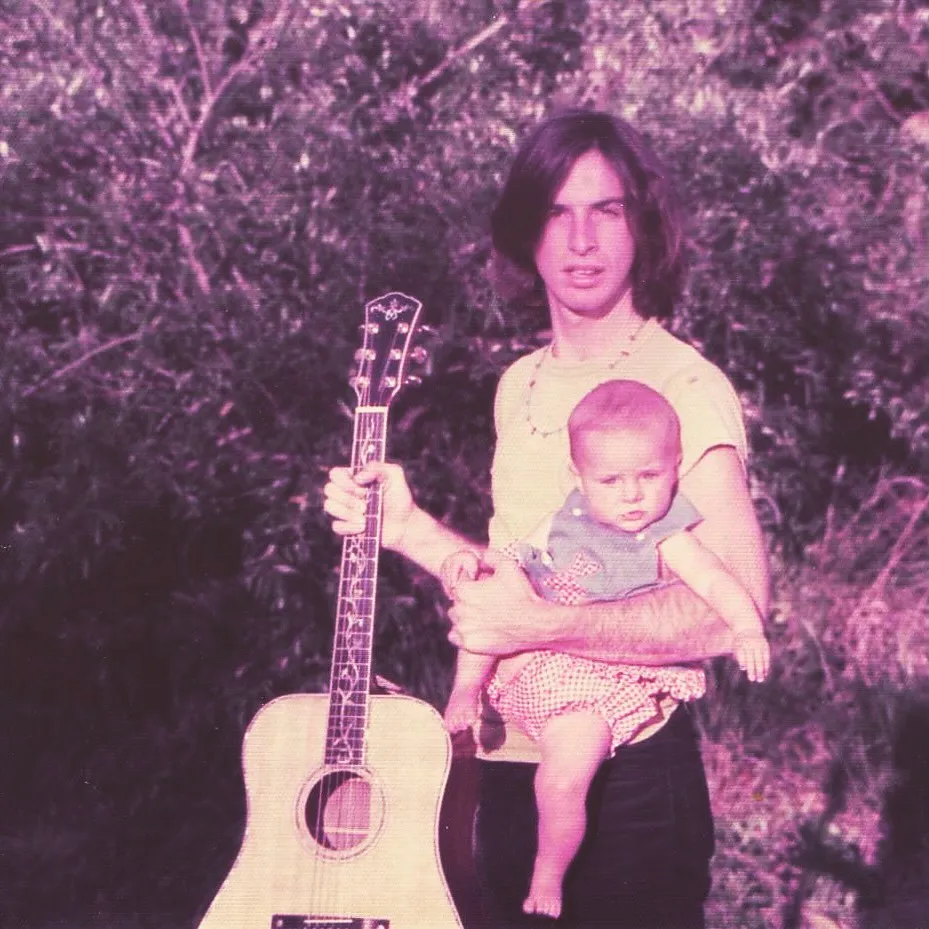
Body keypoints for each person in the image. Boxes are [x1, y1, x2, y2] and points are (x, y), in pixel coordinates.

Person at [324, 109, 770, 928]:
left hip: (626, 780)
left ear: (643, 225)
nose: (581, 241)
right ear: (524, 234)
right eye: (556, 213)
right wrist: (409, 525)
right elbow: (522, 574)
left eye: (605, 210)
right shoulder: (518, 383)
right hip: (502, 763)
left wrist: (541, 621)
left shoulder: (682, 384)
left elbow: (726, 607)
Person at [441, 378, 770, 919]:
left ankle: (548, 874)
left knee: (565, 775)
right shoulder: (567, 516)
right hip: (528, 653)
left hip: (595, 680)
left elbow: (717, 582)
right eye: (611, 479)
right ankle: (464, 693)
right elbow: (513, 560)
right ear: (579, 476)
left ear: (675, 466)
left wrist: (746, 629)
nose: (632, 494)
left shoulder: (666, 535)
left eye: (650, 475)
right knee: (489, 604)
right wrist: (471, 567)